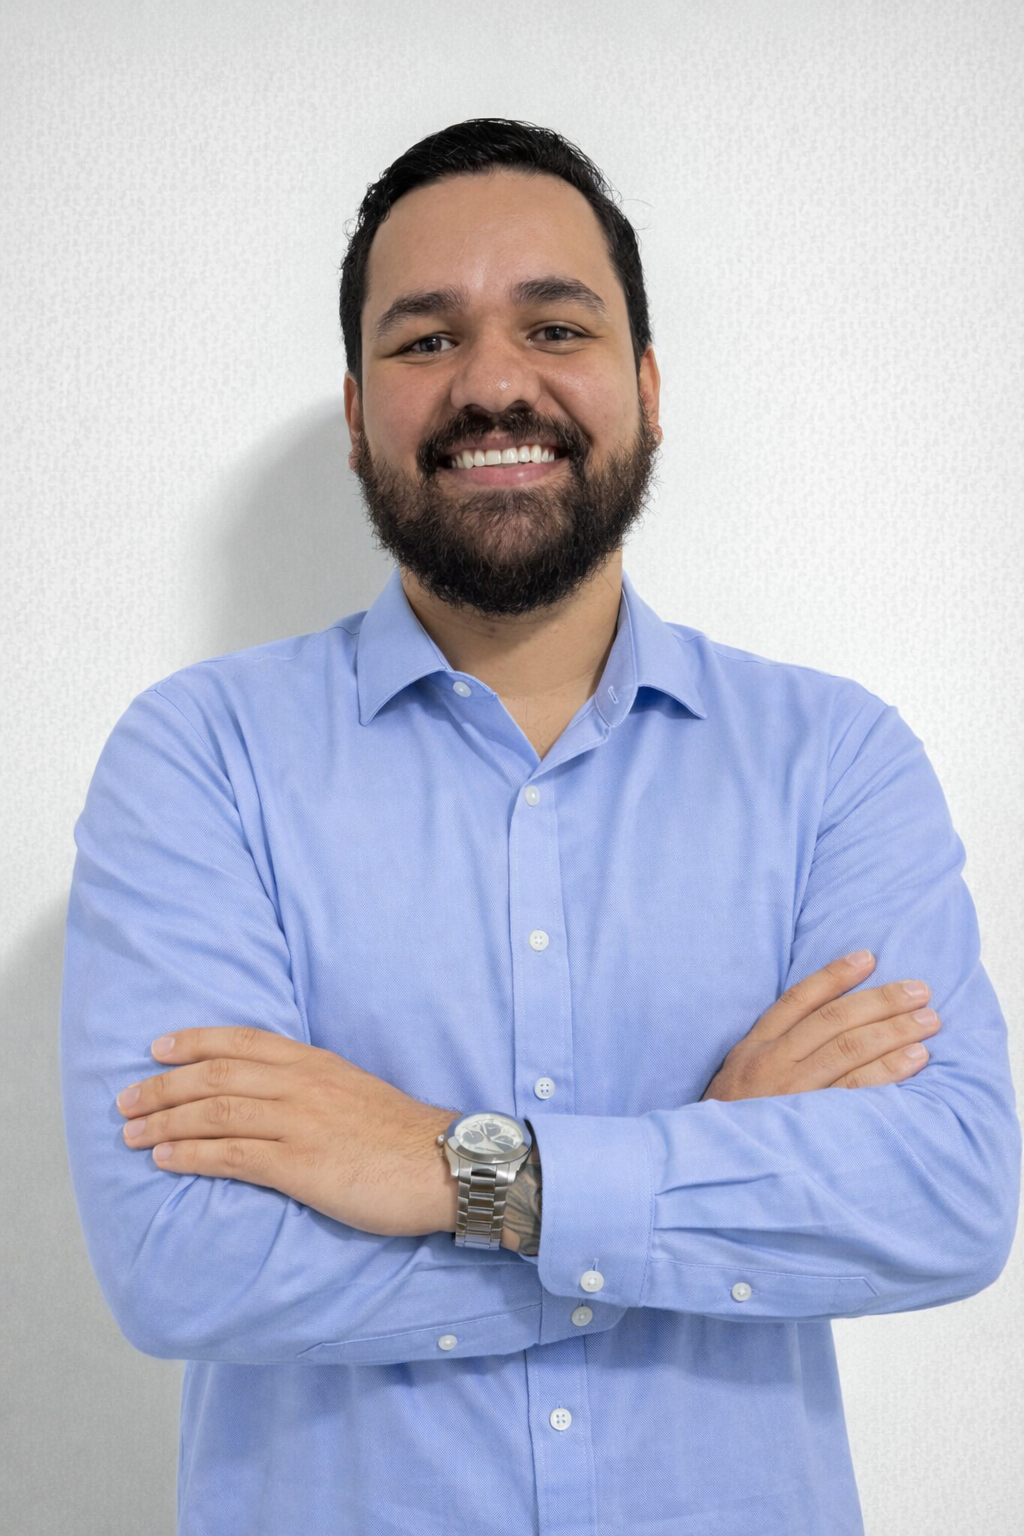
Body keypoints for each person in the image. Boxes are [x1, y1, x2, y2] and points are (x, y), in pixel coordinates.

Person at [60, 118, 1020, 1536]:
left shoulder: (834, 761)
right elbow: (183, 1263)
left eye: (555, 327)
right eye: (426, 339)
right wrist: (701, 1169)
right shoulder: (202, 760)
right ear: (356, 413)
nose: (495, 382)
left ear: (646, 386)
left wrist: (446, 1169)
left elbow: (944, 1196)